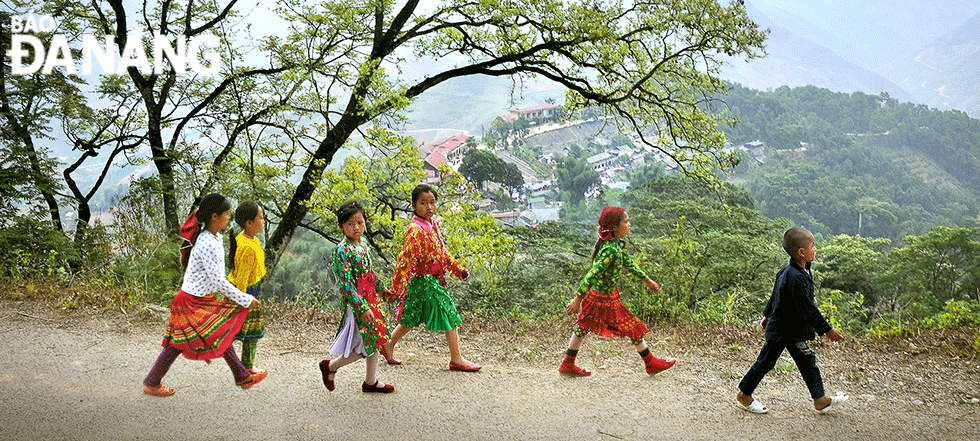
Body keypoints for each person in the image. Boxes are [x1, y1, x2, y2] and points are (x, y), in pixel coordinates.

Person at [142, 193, 266, 396]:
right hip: (190, 301)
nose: (228, 217)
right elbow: (219, 281)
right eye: (225, 214)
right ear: (214, 217)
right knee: (177, 344)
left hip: (199, 299)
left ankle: (243, 376)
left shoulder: (211, 237)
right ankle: (152, 382)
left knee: (219, 333)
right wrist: (246, 300)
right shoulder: (209, 243)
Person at [735, 227, 848, 414]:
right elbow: (807, 308)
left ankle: (820, 399)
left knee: (807, 361)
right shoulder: (794, 276)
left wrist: (766, 314)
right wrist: (827, 329)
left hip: (792, 330)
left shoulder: (798, 270)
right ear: (801, 252)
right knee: (765, 362)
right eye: (812, 246)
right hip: (782, 330)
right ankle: (744, 395)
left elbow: (775, 295)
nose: (815, 249)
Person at [560, 206, 675, 377]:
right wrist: (578, 298)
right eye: (626, 221)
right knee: (632, 326)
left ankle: (567, 364)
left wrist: (647, 280)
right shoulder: (611, 250)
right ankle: (650, 362)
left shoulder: (614, 246)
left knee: (583, 327)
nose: (629, 224)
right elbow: (593, 273)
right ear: (614, 227)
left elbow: (629, 263)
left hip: (600, 296)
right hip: (602, 298)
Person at [383, 184, 481, 372]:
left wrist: (458, 269)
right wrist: (396, 289)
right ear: (413, 205)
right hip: (427, 282)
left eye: (432, 202)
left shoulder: (432, 225)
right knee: (449, 313)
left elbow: (442, 254)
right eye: (423, 203)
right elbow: (404, 261)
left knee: (411, 317)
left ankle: (388, 345)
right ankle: (456, 359)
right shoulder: (416, 231)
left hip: (423, 282)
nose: (429, 207)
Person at [319, 200, 396, 393]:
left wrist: (382, 289)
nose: (356, 228)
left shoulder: (364, 245)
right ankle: (330, 367)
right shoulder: (342, 251)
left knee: (375, 339)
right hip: (357, 305)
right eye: (350, 224)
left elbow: (369, 273)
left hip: (371, 300)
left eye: (360, 222)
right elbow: (346, 285)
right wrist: (361, 307)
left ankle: (371, 381)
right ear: (341, 226)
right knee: (366, 344)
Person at [227, 199, 267, 376]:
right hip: (246, 292)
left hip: (250, 290)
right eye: (260, 217)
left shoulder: (250, 240)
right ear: (249, 224)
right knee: (248, 333)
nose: (263, 221)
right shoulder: (247, 247)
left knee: (246, 331)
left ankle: (246, 365)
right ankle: (246, 366)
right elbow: (242, 277)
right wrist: (246, 300)